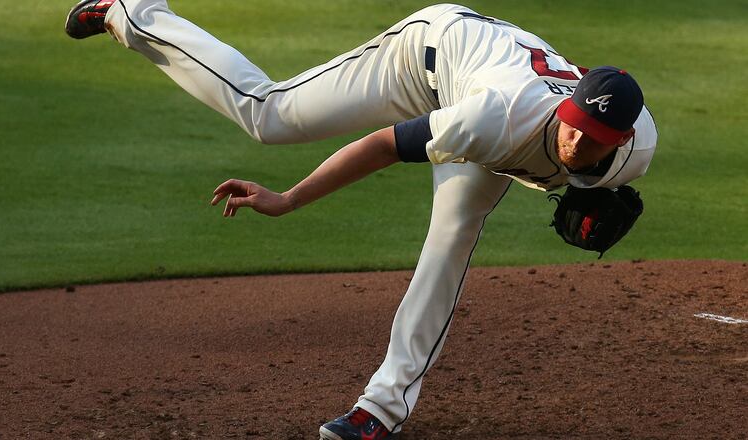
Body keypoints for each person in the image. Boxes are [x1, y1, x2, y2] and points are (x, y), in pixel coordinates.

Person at [65, 1, 658, 438]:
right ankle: (134, 13)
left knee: (450, 240)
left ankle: (378, 411)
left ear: (623, 141)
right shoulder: (493, 119)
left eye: (597, 138)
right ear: (569, 103)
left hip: (489, 97)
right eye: (575, 123)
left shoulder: (636, 152)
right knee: (271, 116)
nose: (580, 141)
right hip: (429, 56)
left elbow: (583, 170)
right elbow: (380, 147)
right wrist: (290, 199)